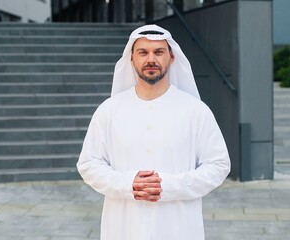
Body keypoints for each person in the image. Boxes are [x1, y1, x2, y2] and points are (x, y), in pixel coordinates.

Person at [77, 24, 231, 240]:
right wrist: (129, 183)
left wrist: (167, 186)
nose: (151, 59)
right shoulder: (109, 110)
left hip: (178, 228)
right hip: (123, 228)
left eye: (159, 52)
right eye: (143, 52)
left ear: (172, 57)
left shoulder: (195, 111)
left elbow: (218, 165)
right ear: (131, 59)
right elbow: (88, 164)